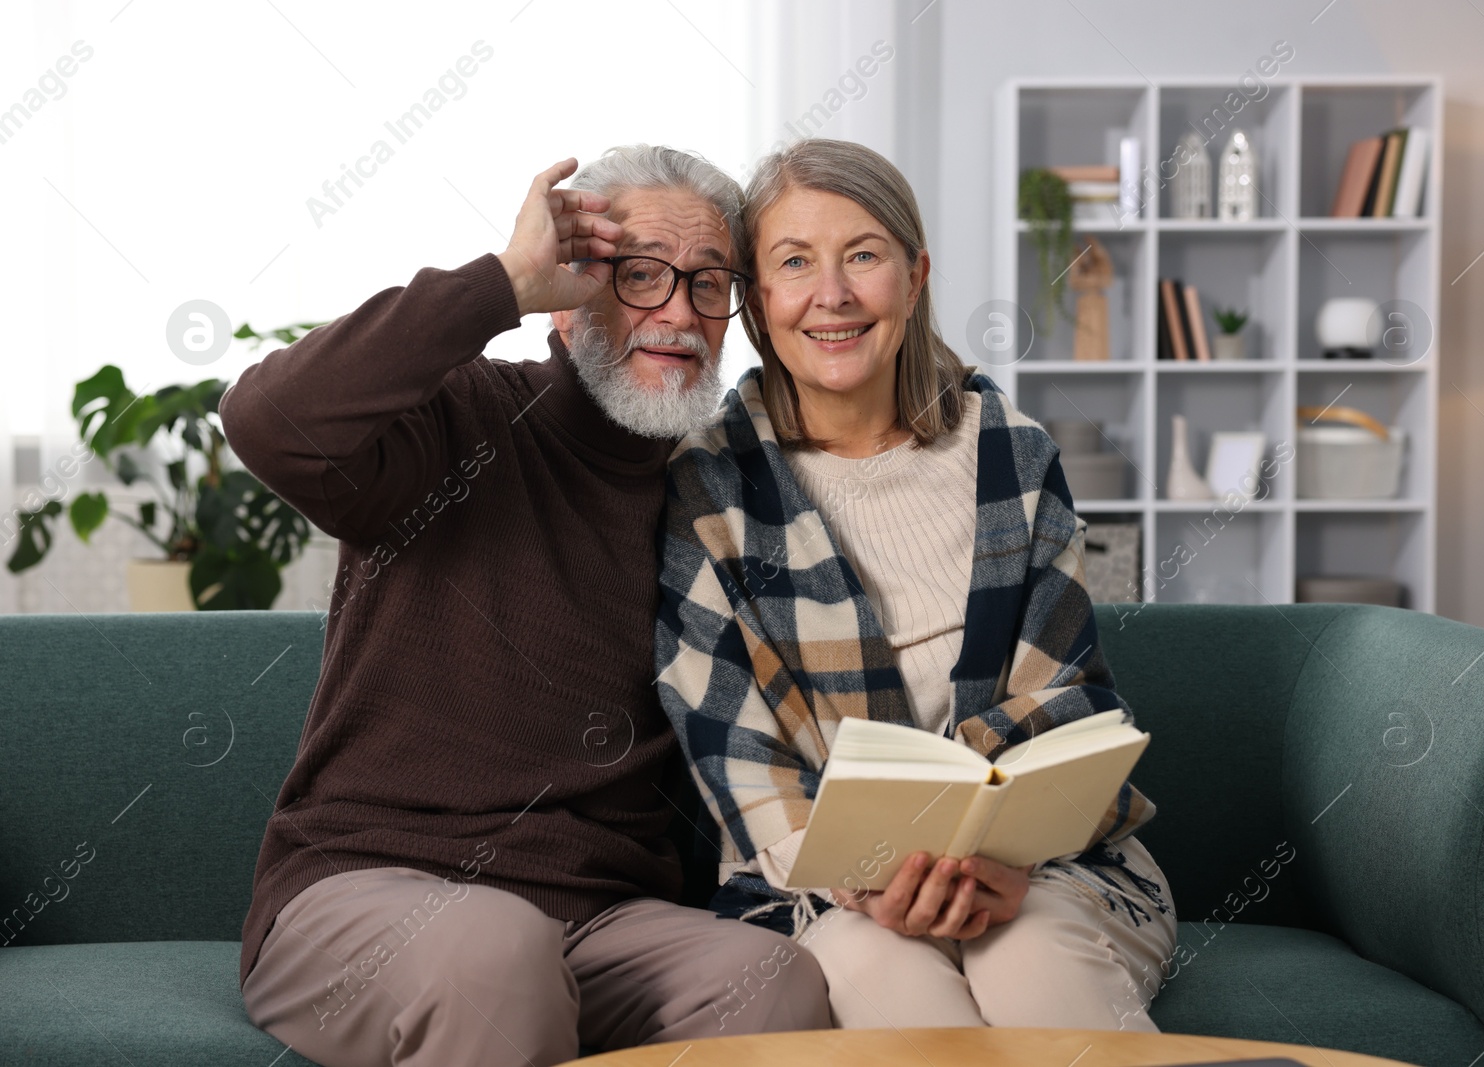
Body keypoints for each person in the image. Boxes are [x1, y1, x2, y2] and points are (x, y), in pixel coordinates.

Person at [223, 147, 830, 1067]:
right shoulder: (456, 420)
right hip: (370, 889)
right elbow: (267, 420)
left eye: (710, 285)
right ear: (563, 300)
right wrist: (500, 281)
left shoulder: (723, 495)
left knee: (771, 975)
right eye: (638, 276)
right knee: (495, 947)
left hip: (601, 921)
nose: (678, 313)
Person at [656, 138, 1178, 1031]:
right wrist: (871, 874)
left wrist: (993, 861)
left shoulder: (1010, 451)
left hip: (1048, 866)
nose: (833, 295)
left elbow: (1067, 697)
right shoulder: (709, 484)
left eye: (863, 255)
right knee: (888, 980)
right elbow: (731, 744)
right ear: (756, 305)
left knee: (1033, 955)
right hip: (826, 891)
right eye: (794, 263)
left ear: (915, 274)